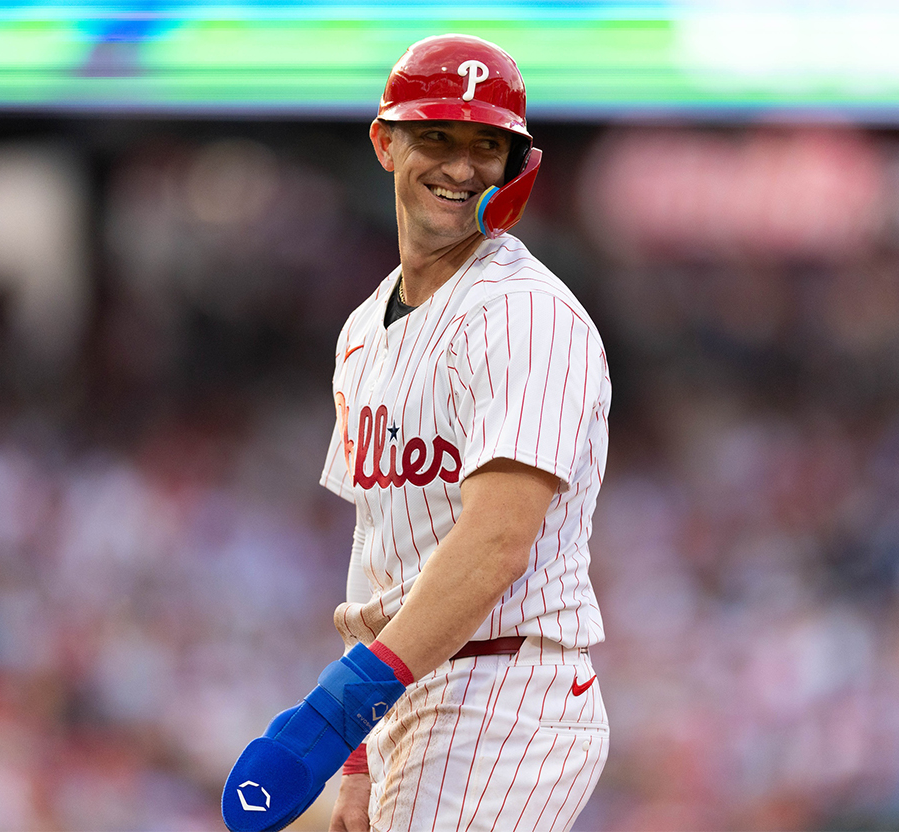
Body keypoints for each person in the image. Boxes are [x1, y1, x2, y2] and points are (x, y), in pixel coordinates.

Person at [223, 34, 611, 832]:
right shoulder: (364, 330)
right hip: (410, 694)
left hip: (505, 693)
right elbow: (378, 548)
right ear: (385, 141)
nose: (462, 165)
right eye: (437, 134)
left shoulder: (524, 314)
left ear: (514, 164)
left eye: (486, 144)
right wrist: (359, 756)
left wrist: (337, 711)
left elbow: (498, 541)